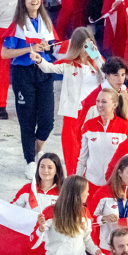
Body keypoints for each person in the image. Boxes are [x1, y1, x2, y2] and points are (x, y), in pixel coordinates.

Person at [4, 0, 60, 175]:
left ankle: (35, 149)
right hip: (23, 74)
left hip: (44, 71)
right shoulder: (17, 25)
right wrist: (29, 49)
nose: (34, 0)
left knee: (47, 120)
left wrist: (47, 48)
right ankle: (30, 160)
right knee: (27, 120)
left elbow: (54, 47)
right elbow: (5, 53)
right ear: (23, 1)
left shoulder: (46, 21)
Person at [36, 27, 104, 172]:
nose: (86, 49)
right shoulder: (69, 63)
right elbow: (49, 68)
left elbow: (107, 75)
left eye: (89, 45)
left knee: (92, 148)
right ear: (76, 46)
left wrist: (95, 54)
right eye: (83, 46)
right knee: (72, 149)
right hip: (73, 113)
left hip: (92, 112)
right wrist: (39, 60)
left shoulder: (97, 63)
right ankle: (73, 178)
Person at [8, 153, 66, 255]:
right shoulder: (28, 189)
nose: (45, 171)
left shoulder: (63, 192)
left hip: (55, 246)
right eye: (42, 166)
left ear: (57, 170)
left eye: (50, 167)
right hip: (31, 244)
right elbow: (10, 210)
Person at [35, 176, 101, 255]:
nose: (88, 193)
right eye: (86, 191)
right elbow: (38, 238)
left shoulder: (85, 213)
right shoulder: (50, 212)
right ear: (77, 193)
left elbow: (86, 238)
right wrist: (40, 228)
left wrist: (96, 251)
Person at [77, 90, 128, 196]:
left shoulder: (125, 128)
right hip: (91, 184)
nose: (100, 105)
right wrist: (77, 182)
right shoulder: (88, 126)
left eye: (104, 102)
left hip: (115, 186)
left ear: (114, 104)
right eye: (98, 101)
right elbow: (82, 158)